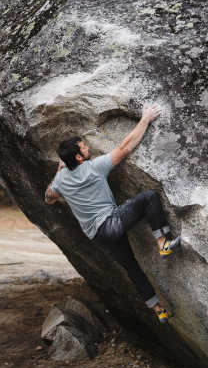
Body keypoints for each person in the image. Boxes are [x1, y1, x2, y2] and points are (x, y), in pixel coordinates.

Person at [44, 104, 180, 323]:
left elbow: (49, 198)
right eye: (84, 147)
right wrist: (145, 119)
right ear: (78, 157)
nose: (88, 148)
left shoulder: (60, 180)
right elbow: (125, 147)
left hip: (98, 237)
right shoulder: (94, 167)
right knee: (150, 197)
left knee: (132, 268)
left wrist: (58, 173)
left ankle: (159, 310)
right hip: (111, 223)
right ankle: (163, 243)